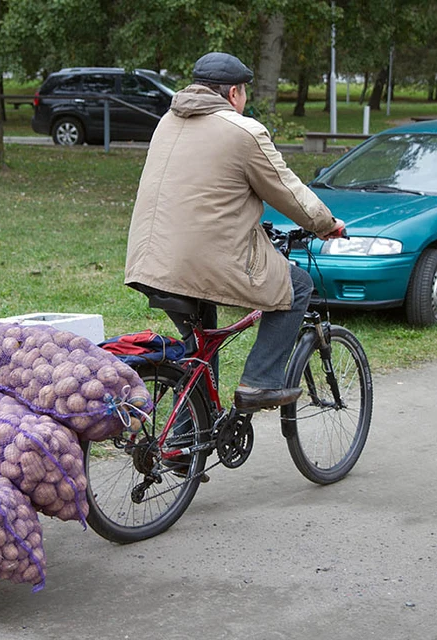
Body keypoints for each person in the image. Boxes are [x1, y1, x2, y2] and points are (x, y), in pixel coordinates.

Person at [124, 52, 345, 412]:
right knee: (299, 284)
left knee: (200, 346)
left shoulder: (167, 121)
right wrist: (327, 224)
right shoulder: (243, 132)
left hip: (149, 261)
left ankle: (185, 443)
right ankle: (260, 382)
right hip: (201, 260)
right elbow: (288, 192)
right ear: (233, 94)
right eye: (244, 94)